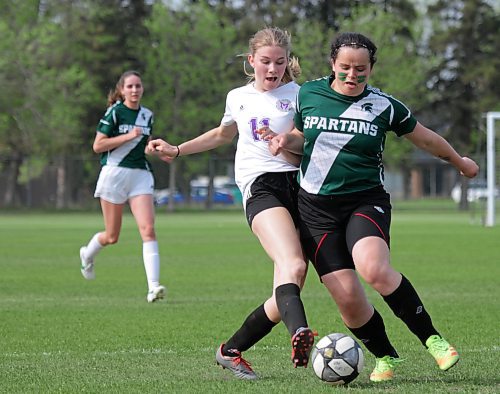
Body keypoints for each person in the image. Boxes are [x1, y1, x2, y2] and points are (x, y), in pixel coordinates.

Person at [263, 31, 479, 382]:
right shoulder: (309, 94)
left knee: (374, 268)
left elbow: (425, 138)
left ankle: (433, 340)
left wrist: (459, 161)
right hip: (315, 210)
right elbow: (303, 138)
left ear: (371, 69)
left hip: (365, 200)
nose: (352, 75)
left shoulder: (385, 106)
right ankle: (387, 357)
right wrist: (284, 140)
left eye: (360, 69)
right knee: (347, 297)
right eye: (345, 67)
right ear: (332, 64)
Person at [146, 27, 315, 379]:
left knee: (286, 290)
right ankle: (300, 332)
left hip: (300, 187)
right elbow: (223, 134)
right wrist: (177, 150)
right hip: (261, 186)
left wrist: (284, 141)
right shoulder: (237, 97)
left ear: (288, 63)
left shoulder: (301, 95)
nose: (272, 69)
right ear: (251, 60)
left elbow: (304, 145)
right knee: (293, 264)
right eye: (265, 62)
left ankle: (231, 350)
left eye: (280, 63)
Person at [79, 70, 166, 304]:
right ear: (122, 90)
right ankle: (87, 255)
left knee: (148, 229)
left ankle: (153, 287)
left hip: (140, 175)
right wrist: (128, 136)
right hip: (114, 174)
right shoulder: (115, 112)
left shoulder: (147, 115)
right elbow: (98, 145)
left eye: (138, 86)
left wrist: (154, 149)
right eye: (130, 86)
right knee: (112, 236)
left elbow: (143, 145)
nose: (135, 90)